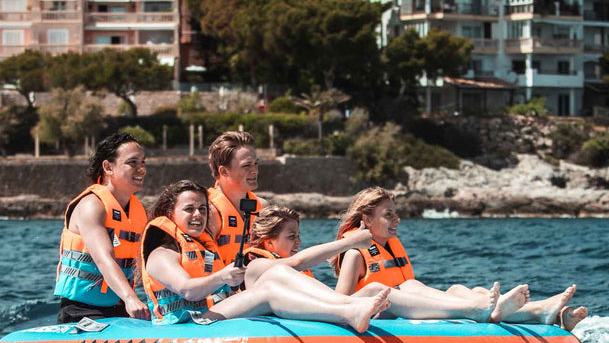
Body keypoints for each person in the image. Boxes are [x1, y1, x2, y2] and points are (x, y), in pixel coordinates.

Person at [141, 180, 390, 332]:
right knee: (269, 290)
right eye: (189, 209)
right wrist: (222, 277)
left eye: (203, 209)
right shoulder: (161, 254)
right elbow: (188, 291)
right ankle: (347, 312)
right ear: (170, 213)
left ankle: (350, 306)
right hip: (184, 328)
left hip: (207, 316)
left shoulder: (202, 247)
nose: (198, 215)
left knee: (277, 272)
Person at [332, 187, 589, 329]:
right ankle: (487, 310)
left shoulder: (388, 247)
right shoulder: (355, 254)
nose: (396, 220)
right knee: (409, 286)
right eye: (389, 215)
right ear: (366, 220)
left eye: (396, 214)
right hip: (382, 315)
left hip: (404, 306)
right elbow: (340, 304)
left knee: (459, 288)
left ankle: (544, 312)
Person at [249, 207, 504, 321]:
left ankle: (484, 306)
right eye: (291, 237)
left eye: (299, 235)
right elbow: (298, 261)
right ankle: (470, 310)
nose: (298, 242)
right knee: (375, 290)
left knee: (414, 285)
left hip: (332, 311)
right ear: (267, 243)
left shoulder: (287, 271)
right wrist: (352, 243)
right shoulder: (257, 267)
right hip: (328, 318)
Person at [53, 132, 150, 324]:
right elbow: (103, 259)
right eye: (133, 163)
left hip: (120, 306)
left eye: (143, 163)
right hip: (82, 311)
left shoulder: (136, 211)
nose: (141, 169)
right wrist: (131, 298)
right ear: (108, 167)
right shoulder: (92, 205)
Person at [205, 130, 263, 266]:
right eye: (246, 166)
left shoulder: (262, 208)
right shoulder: (208, 211)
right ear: (224, 171)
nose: (254, 170)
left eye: (256, 163)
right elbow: (205, 262)